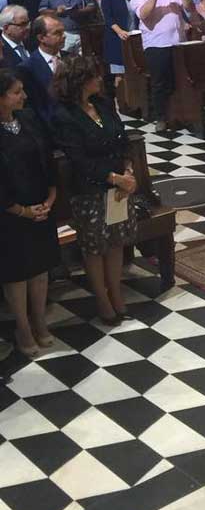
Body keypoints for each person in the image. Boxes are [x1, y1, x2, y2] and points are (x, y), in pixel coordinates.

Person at [52, 56, 138, 324]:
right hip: (89, 190)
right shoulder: (64, 115)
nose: (100, 80)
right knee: (95, 247)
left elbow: (122, 138)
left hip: (117, 186)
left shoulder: (102, 103)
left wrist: (128, 171)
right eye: (94, 76)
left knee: (114, 242)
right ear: (80, 81)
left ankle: (116, 292)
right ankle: (102, 298)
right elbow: (78, 160)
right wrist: (114, 178)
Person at [0, 68, 58, 356]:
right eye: (16, 92)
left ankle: (40, 321)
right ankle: (22, 328)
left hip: (40, 205)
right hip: (9, 215)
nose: (24, 95)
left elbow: (46, 156)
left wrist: (51, 195)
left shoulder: (28, 118)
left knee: (40, 269)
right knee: (18, 274)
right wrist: (22, 211)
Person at [131, 0, 195, 132]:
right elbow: (143, 14)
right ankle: (161, 117)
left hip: (178, 43)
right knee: (160, 83)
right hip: (156, 45)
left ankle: (181, 114)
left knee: (181, 81)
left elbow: (190, 8)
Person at [100, 0, 135, 85]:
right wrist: (120, 31)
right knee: (120, 74)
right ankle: (120, 101)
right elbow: (108, 17)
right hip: (117, 37)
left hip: (133, 35)